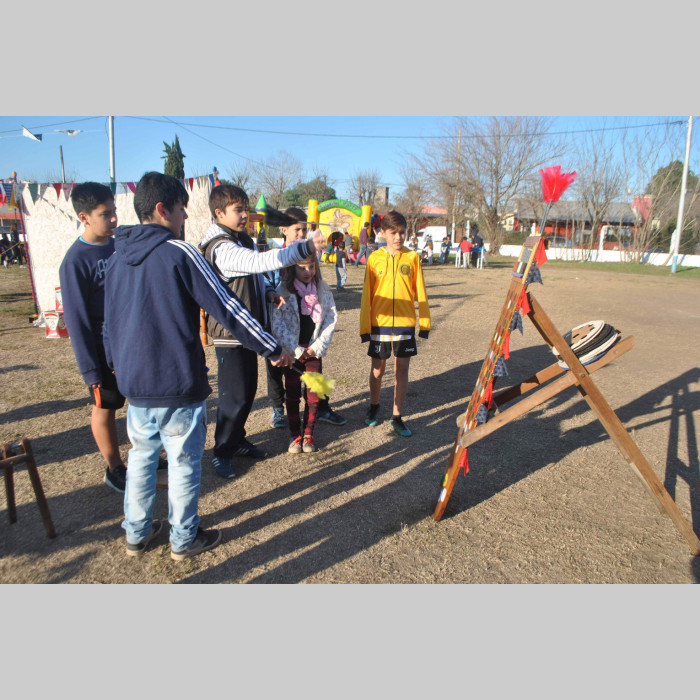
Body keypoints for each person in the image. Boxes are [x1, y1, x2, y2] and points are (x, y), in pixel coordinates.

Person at [103, 172, 293, 561]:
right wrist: (271, 346)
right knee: (183, 463)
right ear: (162, 210)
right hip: (176, 382)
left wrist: (116, 367)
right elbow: (227, 306)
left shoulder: (116, 257)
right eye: (181, 209)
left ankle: (137, 533)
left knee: (141, 458)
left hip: (136, 386)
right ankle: (184, 538)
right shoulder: (180, 252)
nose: (185, 217)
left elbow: (109, 323)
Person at [198, 187, 324, 479]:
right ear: (219, 213)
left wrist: (267, 291)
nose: (245, 215)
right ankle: (222, 452)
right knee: (234, 397)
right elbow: (257, 263)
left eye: (246, 208)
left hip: (248, 330)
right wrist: (303, 248)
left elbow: (253, 276)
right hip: (231, 332)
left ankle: (237, 440)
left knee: (246, 392)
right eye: (238, 210)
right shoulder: (221, 247)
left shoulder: (241, 239)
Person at [59, 182, 133, 493]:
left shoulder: (120, 246)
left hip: (129, 342)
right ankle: (114, 467)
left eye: (115, 211)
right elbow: (77, 321)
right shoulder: (75, 261)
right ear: (84, 217)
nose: (114, 219)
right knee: (107, 405)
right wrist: (90, 369)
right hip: (102, 350)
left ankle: (144, 455)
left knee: (139, 400)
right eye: (106, 214)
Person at [265, 208, 346, 430]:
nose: (301, 234)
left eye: (304, 230)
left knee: (313, 368)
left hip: (308, 333)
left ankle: (321, 407)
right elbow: (267, 284)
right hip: (281, 327)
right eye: (297, 230)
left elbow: (327, 312)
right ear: (284, 229)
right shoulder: (273, 257)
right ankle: (278, 408)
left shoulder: (310, 258)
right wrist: (272, 293)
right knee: (276, 370)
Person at [360, 210, 431, 437]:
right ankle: (374, 405)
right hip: (379, 324)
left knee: (402, 370)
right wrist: (365, 328)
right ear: (383, 233)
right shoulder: (374, 258)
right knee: (378, 370)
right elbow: (366, 295)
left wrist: (424, 324)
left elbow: (421, 292)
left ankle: (397, 416)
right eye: (393, 233)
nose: (398, 237)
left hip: (404, 325)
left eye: (402, 232)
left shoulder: (412, 258)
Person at [271, 253, 337, 454]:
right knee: (292, 394)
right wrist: (295, 349)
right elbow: (277, 322)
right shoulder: (283, 291)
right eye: (302, 268)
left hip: (313, 350)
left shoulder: (323, 290)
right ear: (293, 268)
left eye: (311, 267)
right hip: (293, 352)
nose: (308, 272)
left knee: (314, 395)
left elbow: (330, 319)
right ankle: (295, 435)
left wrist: (316, 347)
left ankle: (308, 433)